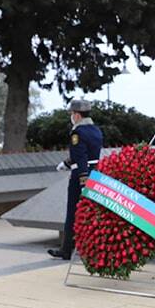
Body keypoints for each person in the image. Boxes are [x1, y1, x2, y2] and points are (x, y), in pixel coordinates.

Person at [48, 99, 103, 260]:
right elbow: (87, 153)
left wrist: (83, 180)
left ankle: (66, 249)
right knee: (92, 212)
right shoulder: (96, 130)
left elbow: (80, 157)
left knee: (72, 211)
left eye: (72, 113)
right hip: (95, 172)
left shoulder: (77, 132)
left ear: (77, 115)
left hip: (80, 175)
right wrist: (66, 163)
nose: (71, 117)